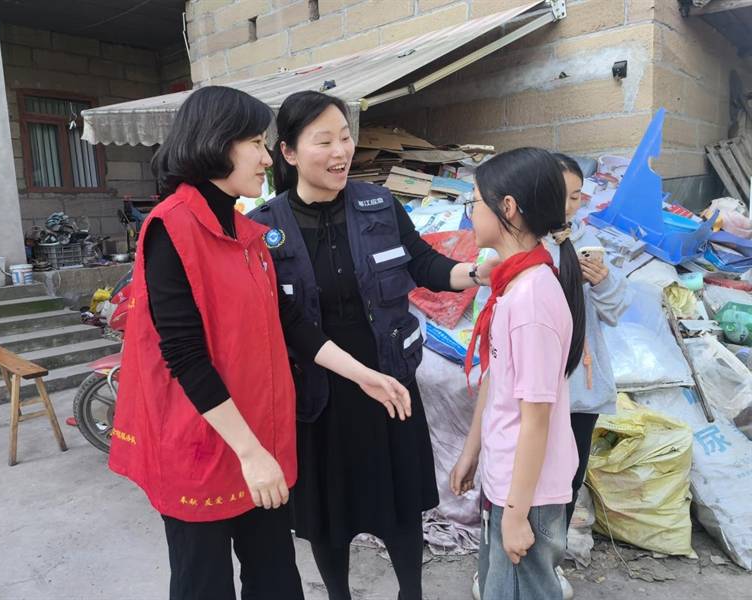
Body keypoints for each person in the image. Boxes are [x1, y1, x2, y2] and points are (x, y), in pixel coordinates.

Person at [108, 86, 411, 600]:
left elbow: (289, 321)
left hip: (258, 440)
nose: (267, 158)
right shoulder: (171, 229)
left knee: (276, 581)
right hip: (206, 444)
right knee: (204, 585)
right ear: (215, 142)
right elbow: (184, 355)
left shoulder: (247, 233)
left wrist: (364, 375)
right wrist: (250, 453)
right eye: (255, 143)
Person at [248, 90, 493, 600]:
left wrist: (476, 272)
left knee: (400, 508)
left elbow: (424, 264)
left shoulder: (378, 205)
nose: (341, 151)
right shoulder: (265, 227)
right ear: (288, 152)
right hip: (317, 396)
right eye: (324, 141)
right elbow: (277, 323)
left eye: (345, 138)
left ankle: (410, 594)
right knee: (328, 517)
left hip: (389, 386)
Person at [449, 147, 586, 600]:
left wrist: (514, 514)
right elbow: (498, 380)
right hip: (509, 481)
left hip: (526, 494)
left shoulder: (530, 299)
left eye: (474, 201)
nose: (470, 213)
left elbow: (536, 419)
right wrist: (473, 452)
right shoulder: (513, 286)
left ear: (507, 207)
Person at [545, 154, 630, 598]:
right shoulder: (522, 243)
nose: (568, 206)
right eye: (561, 196)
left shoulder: (588, 242)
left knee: (568, 477)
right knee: (526, 476)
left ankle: (549, 562)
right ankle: (509, 558)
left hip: (581, 385)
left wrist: (602, 282)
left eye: (576, 197)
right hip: (538, 384)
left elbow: (614, 312)